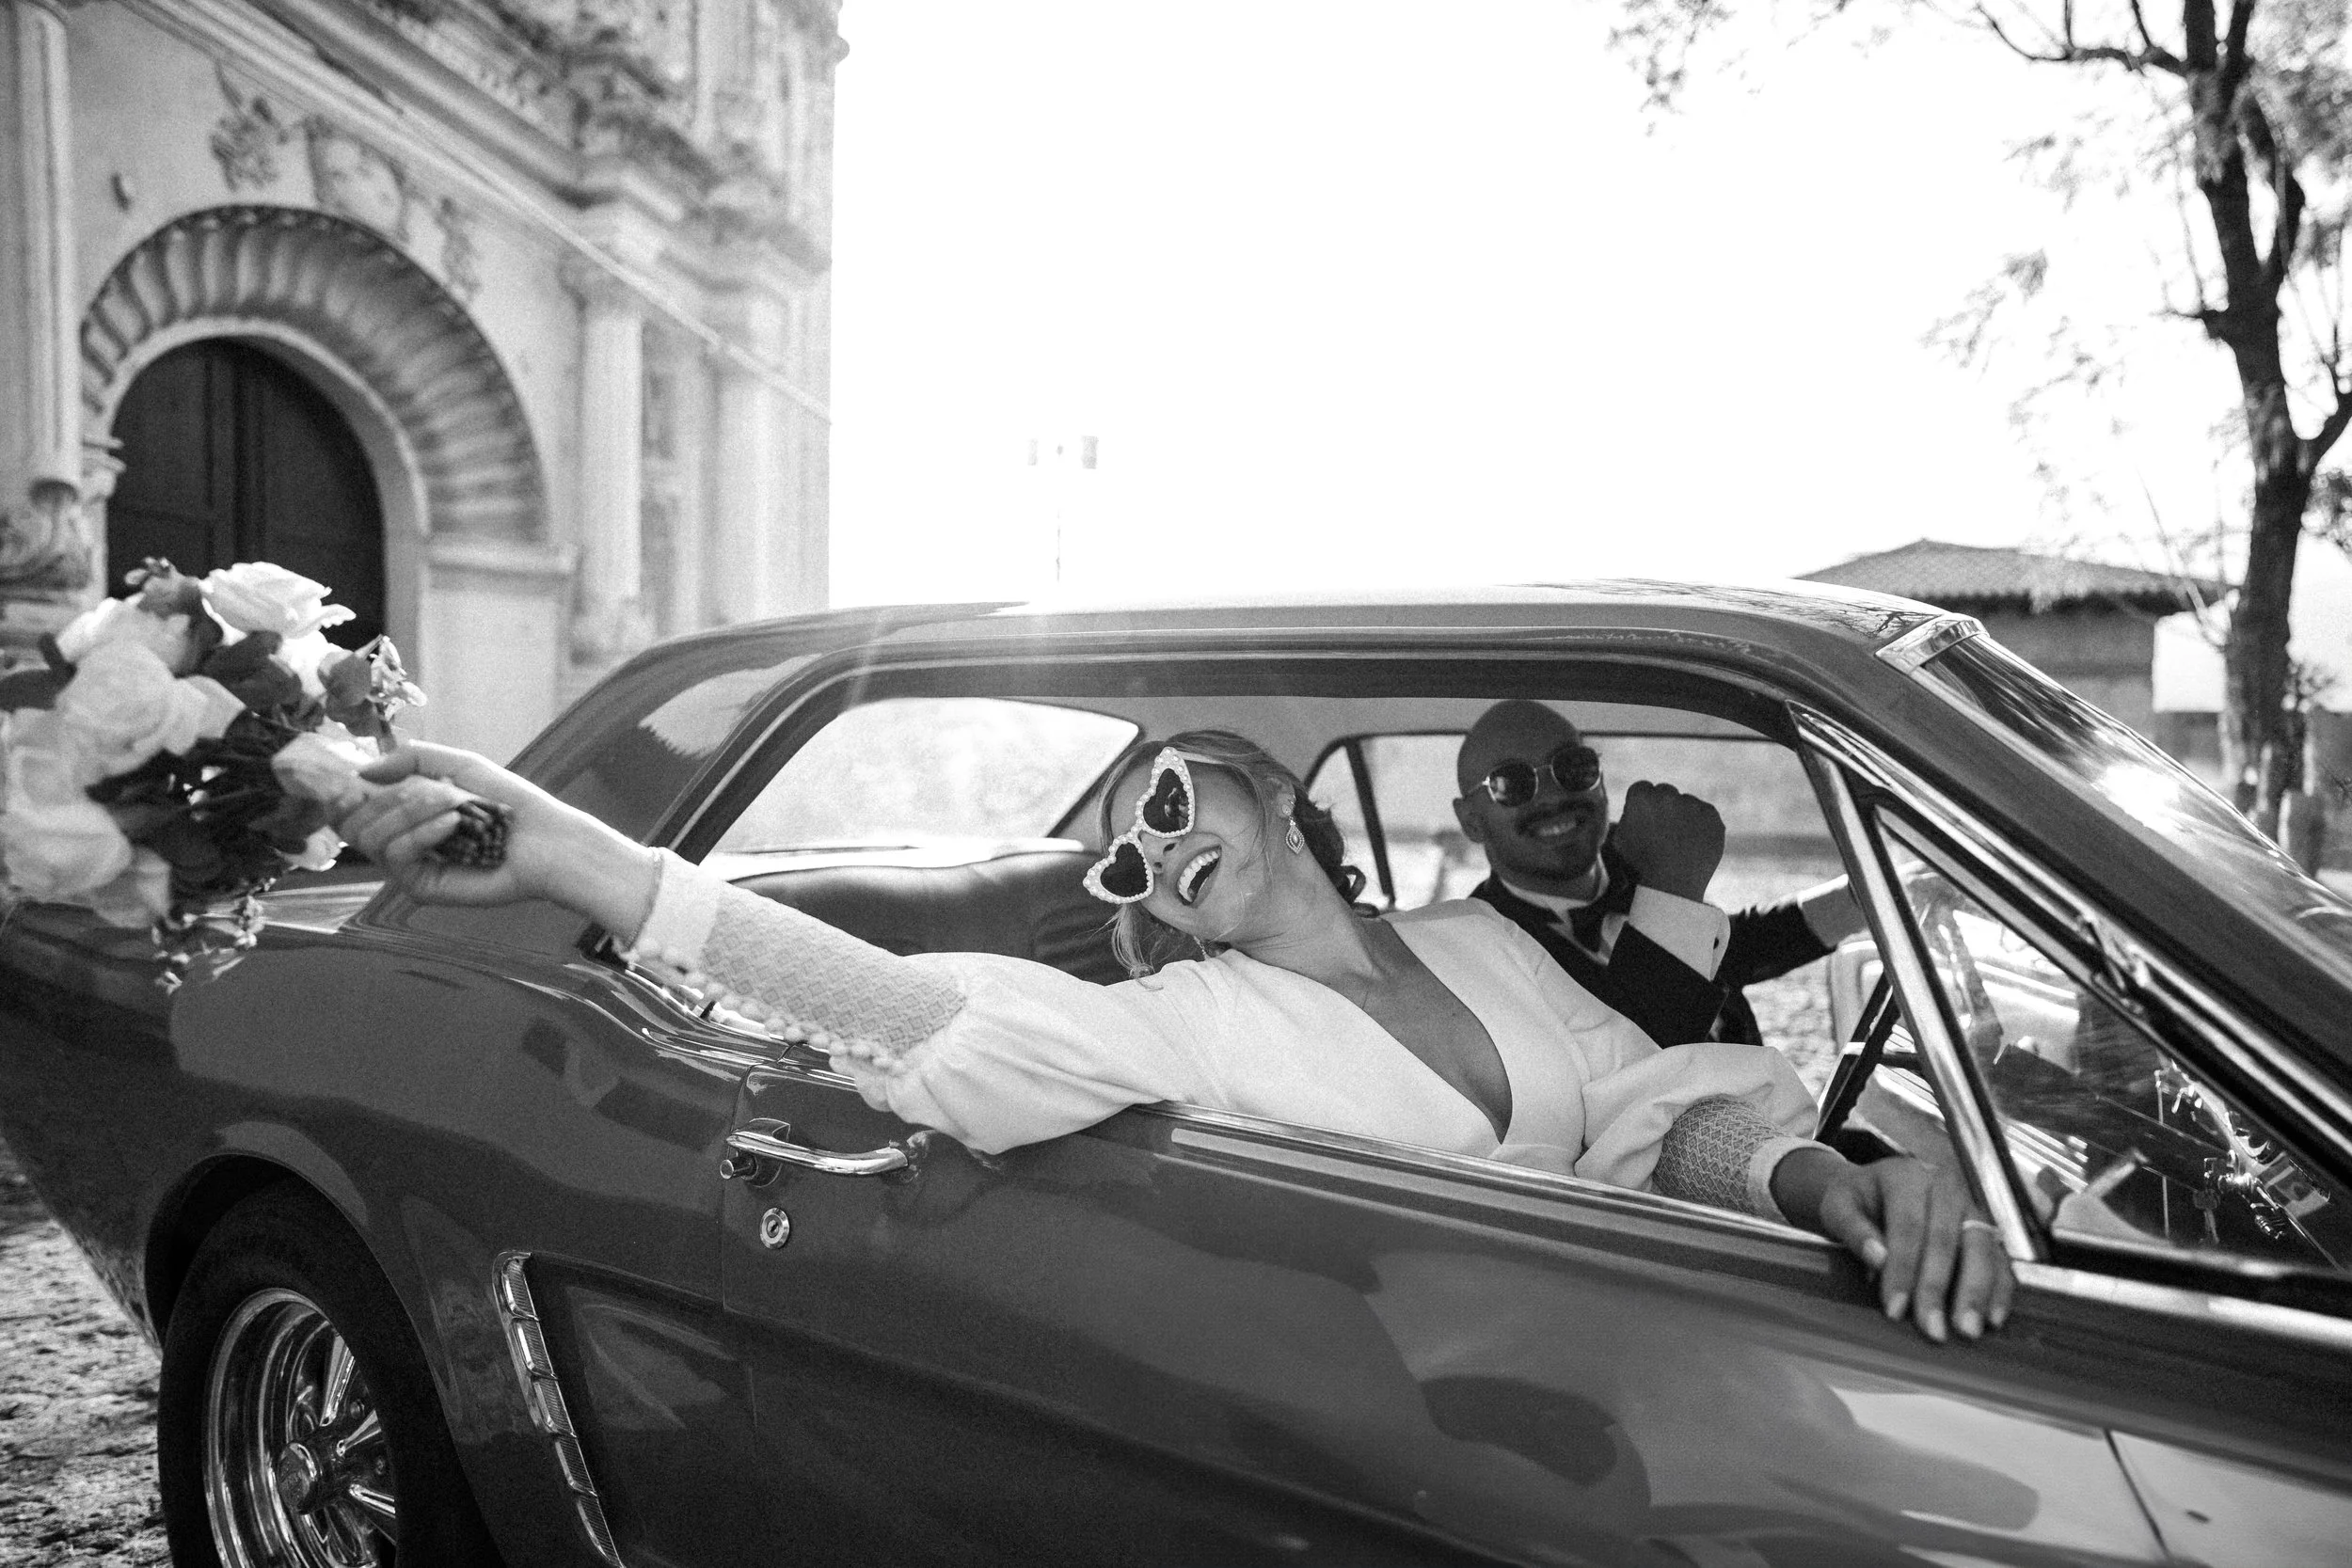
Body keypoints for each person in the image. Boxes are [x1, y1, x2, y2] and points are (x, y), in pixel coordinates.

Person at [342, 729, 2012, 1342]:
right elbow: (930, 1021)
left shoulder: (1478, 935)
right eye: (1127, 864)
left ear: (1275, 792)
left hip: (1660, 1337)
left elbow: (1655, 1111)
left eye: (1167, 803)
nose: (1151, 856)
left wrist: (1828, 1182)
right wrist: (600, 868)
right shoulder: (1185, 1018)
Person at [1454, 700, 1865, 1049]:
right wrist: (1672, 884)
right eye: (1511, 784)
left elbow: (1733, 950)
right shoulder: (1479, 952)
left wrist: (1871, 897)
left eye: (1572, 767)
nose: (1554, 796)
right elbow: (1640, 1067)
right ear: (1471, 820)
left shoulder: (1634, 860)